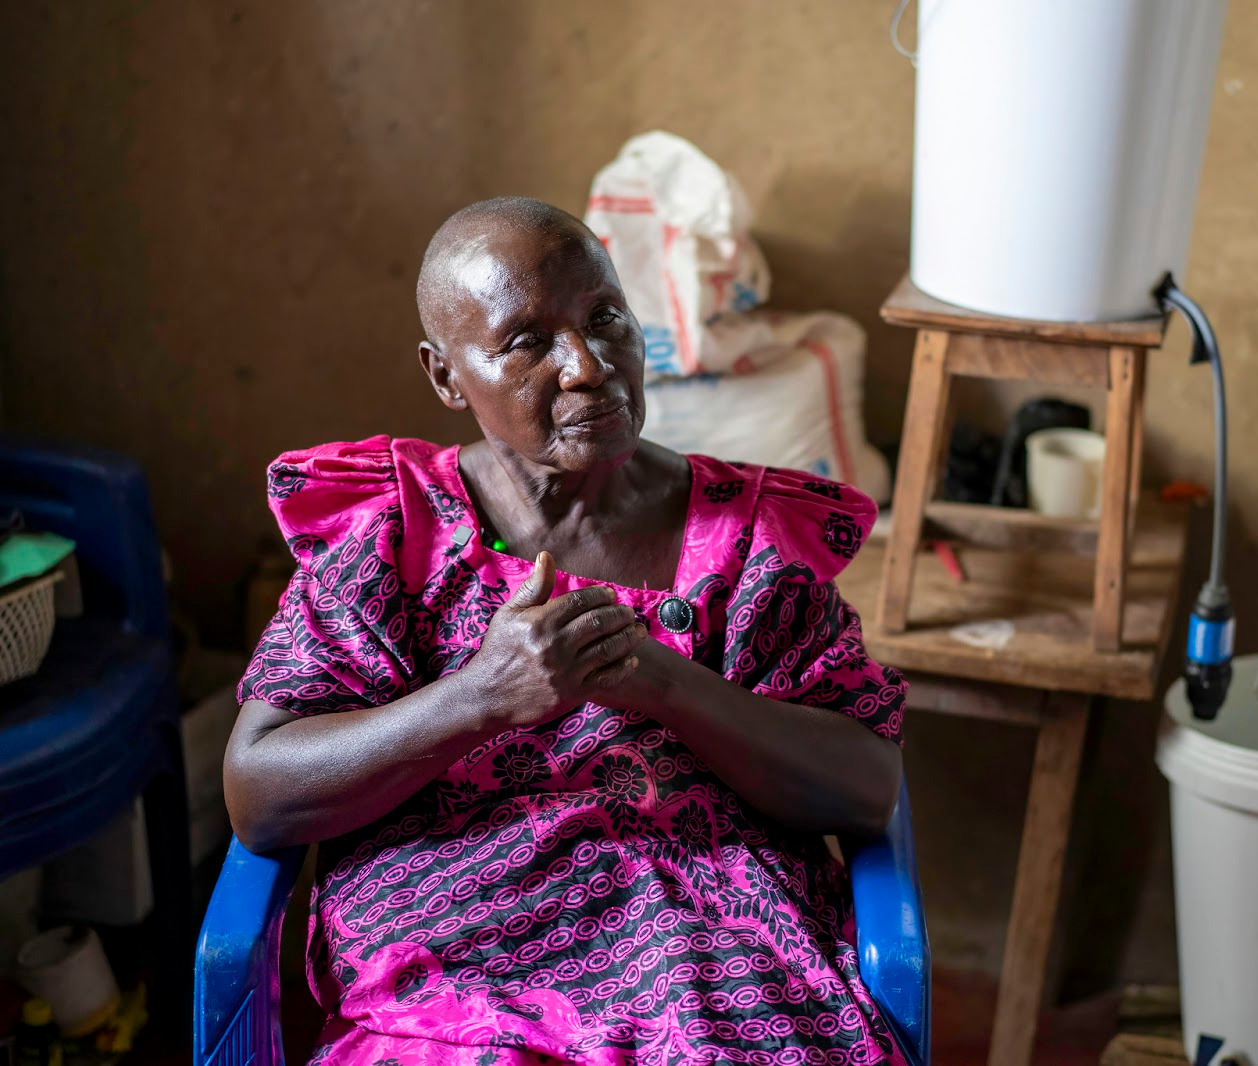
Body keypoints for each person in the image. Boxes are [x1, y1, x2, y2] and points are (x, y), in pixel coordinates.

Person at [224, 197, 910, 1065]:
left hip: (712, 960)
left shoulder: (747, 542)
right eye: (526, 341)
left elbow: (863, 786)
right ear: (445, 376)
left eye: (605, 319)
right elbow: (260, 794)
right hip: (454, 963)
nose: (588, 367)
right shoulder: (396, 535)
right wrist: (480, 696)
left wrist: (664, 682)